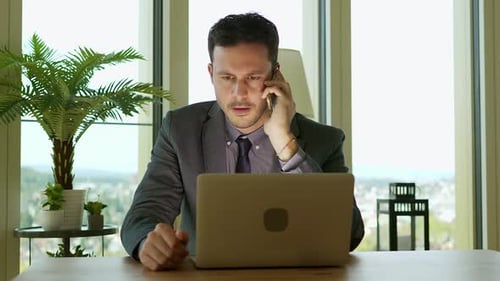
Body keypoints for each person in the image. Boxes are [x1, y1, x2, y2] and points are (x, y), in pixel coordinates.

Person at [121, 12, 365, 271]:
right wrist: (149, 242)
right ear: (211, 73)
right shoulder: (180, 130)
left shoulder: (324, 139)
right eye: (227, 78)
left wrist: (285, 142)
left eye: (253, 77)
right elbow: (144, 213)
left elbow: (349, 234)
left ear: (276, 76)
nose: (239, 94)